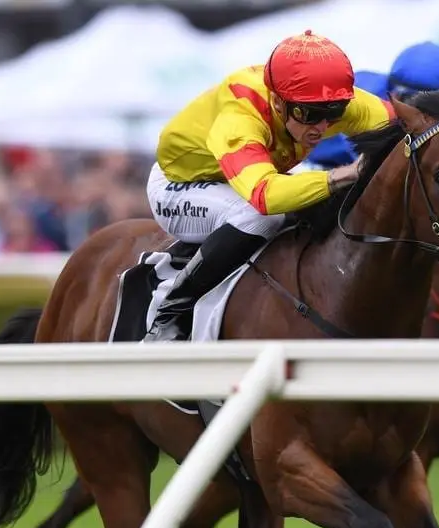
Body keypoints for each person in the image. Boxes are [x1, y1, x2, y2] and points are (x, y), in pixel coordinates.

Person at [143, 30, 395, 342]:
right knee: (264, 216)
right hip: (180, 186)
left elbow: (407, 123)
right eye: (309, 114)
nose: (321, 127)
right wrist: (343, 174)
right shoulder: (241, 116)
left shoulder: (323, 100)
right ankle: (171, 310)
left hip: (237, 181)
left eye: (334, 113)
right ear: (277, 102)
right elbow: (265, 197)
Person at [305, 41, 439, 169]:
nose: (418, 117)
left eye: (432, 111)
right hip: (305, 164)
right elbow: (369, 163)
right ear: (393, 92)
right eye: (409, 102)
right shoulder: (358, 94)